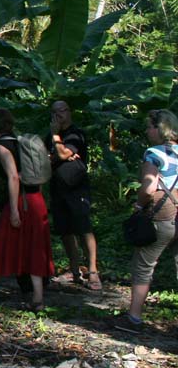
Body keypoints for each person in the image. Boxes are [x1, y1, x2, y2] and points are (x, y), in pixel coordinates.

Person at [0, 108, 55, 310]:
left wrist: (13, 210)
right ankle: (38, 298)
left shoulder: (3, 146)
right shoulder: (19, 141)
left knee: (3, 246)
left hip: (21, 202)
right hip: (36, 200)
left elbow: (13, 177)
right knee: (35, 247)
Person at [113, 109, 178, 333]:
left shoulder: (154, 153)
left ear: (159, 129)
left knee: (143, 266)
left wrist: (140, 205)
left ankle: (134, 318)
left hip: (162, 216)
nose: (147, 131)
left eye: (149, 127)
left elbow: (149, 188)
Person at [46, 100, 101, 291]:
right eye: (55, 112)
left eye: (62, 111)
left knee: (83, 227)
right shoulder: (50, 137)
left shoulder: (75, 134)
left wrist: (58, 143)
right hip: (57, 188)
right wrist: (59, 151)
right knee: (65, 231)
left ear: (69, 112)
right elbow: (50, 157)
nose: (58, 115)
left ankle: (93, 271)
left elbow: (61, 155)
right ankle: (74, 269)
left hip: (77, 188)